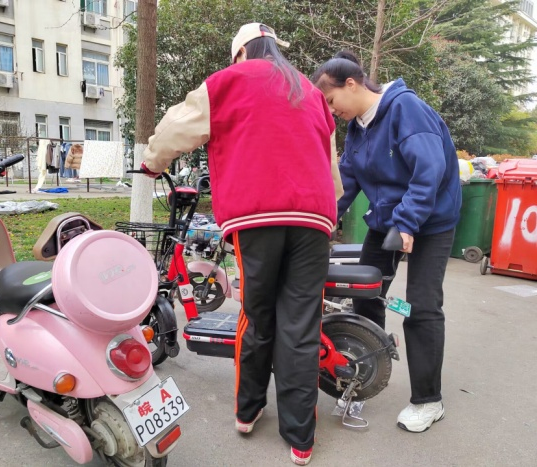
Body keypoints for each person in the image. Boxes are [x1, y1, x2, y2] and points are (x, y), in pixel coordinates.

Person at [141, 23, 342, 466]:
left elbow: (176, 129)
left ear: (240, 53)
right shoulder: (309, 90)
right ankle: (301, 440)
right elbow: (331, 166)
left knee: (257, 316)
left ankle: (248, 412)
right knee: (301, 325)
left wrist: (152, 162)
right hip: (314, 219)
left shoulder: (227, 81)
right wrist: (329, 211)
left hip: (258, 216)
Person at [311, 51, 461, 433]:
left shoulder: (405, 109)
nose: (332, 111)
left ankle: (428, 401)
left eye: (331, 100)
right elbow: (344, 185)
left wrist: (407, 222)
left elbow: (429, 170)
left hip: (430, 220)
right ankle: (362, 374)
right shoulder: (357, 128)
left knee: (421, 306)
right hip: (387, 220)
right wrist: (319, 221)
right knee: (366, 296)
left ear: (351, 84)